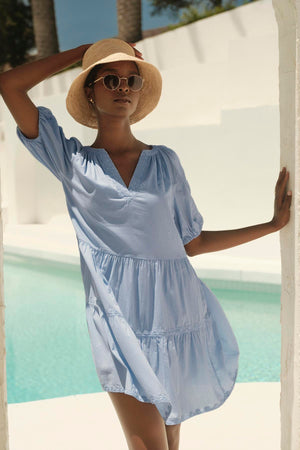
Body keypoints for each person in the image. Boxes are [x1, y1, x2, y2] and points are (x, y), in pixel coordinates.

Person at [0, 38, 292, 450]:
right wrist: (86, 52)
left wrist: (271, 225)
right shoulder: (72, 163)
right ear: (91, 90)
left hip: (175, 320)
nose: (123, 88)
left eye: (131, 81)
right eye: (110, 79)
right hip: (119, 325)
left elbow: (192, 242)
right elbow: (10, 85)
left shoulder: (165, 161)